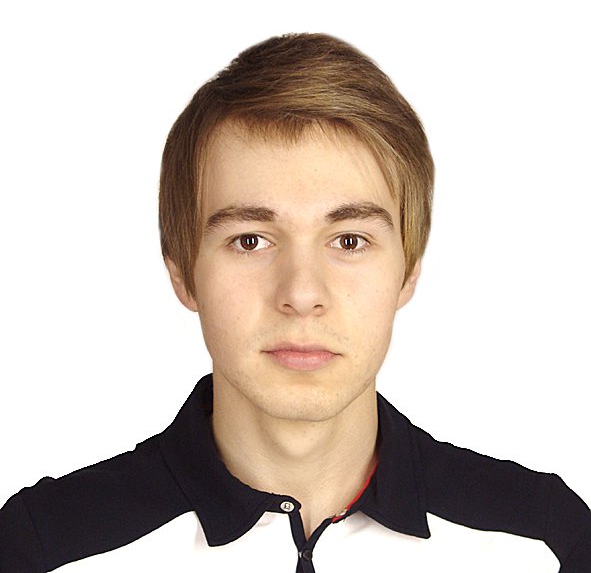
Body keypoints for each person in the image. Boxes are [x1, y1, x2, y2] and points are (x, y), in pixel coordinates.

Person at [0, 32, 589, 573]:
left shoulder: (543, 541)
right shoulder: (45, 548)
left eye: (349, 240)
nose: (302, 295)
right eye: (250, 241)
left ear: (408, 270)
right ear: (182, 273)